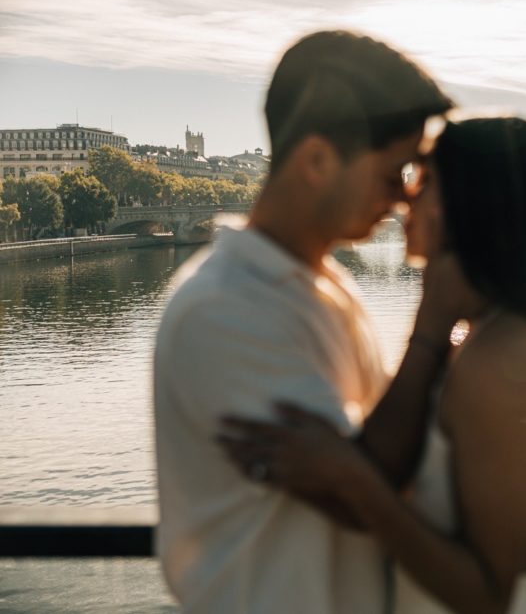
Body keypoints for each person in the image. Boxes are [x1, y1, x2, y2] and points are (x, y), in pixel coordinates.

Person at [218, 117, 526, 613]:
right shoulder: (487, 334)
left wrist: (351, 478)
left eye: (421, 183)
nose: (404, 200)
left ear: (466, 207)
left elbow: (487, 595)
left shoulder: (505, 358)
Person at [153, 30, 455, 613]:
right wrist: (434, 319)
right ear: (317, 160)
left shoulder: (319, 286)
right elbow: (368, 485)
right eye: (393, 173)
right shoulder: (223, 309)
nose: (401, 198)